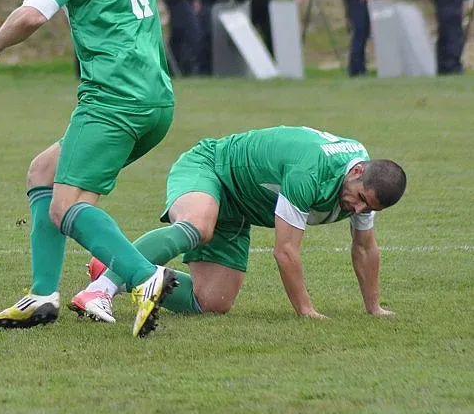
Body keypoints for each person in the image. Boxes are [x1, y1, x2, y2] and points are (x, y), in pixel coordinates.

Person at [0, 0, 187, 338]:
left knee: (64, 208)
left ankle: (145, 276)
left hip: (112, 100)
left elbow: (31, 16)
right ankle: (43, 295)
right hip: (157, 102)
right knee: (43, 172)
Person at [70, 126, 406, 334]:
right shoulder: (311, 172)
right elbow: (285, 251)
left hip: (239, 206)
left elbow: (364, 247)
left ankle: (117, 263)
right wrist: (306, 311)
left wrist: (373, 307)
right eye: (360, 199)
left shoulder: (364, 185)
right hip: (210, 168)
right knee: (198, 226)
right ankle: (100, 289)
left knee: (211, 302)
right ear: (357, 171)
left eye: (369, 208)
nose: (358, 209)